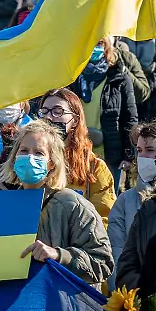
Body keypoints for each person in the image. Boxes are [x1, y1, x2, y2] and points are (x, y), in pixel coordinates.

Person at [0, 121, 113, 287]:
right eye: (23, 151)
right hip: (8, 306)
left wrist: (59, 256)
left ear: (51, 163)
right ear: (14, 157)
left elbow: (102, 263)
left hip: (54, 307)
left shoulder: (72, 204)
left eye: (39, 153)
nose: (30, 157)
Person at [39, 88, 118, 223]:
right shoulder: (32, 160)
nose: (48, 117)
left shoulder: (94, 167)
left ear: (75, 120)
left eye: (58, 111)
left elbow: (103, 219)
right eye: (44, 112)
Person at [68, 38, 139, 186]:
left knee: (107, 202)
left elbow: (130, 118)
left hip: (110, 155)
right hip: (76, 151)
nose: (94, 47)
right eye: (90, 42)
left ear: (107, 46)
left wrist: (128, 155)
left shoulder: (120, 78)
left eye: (99, 43)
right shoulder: (71, 76)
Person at [108, 122, 156, 290]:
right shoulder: (125, 201)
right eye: (139, 151)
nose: (142, 158)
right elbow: (118, 256)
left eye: (150, 150)